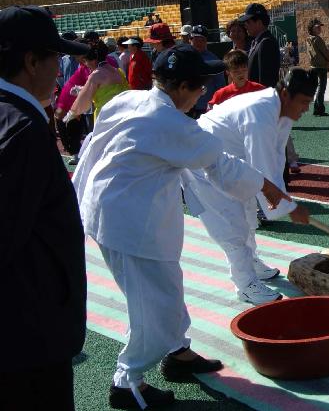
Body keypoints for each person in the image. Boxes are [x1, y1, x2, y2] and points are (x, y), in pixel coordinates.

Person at [73, 44, 293, 410]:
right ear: (182, 87)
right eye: (199, 86)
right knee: (153, 309)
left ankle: (178, 353)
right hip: (126, 223)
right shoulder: (171, 123)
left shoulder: (130, 100)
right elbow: (220, 165)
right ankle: (127, 381)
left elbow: (95, 143)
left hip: (117, 208)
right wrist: (267, 186)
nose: (203, 93)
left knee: (167, 291)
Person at [0, 6, 89, 411]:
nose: (62, 69)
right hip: (29, 332)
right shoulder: (23, 131)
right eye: (55, 58)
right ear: (31, 61)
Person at [182, 67, 314, 304]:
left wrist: (283, 201)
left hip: (231, 163)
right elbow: (262, 165)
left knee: (247, 215)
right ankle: (245, 284)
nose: (306, 109)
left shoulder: (282, 111)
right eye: (303, 102)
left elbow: (276, 158)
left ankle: (250, 259)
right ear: (286, 95)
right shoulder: (260, 114)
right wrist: (289, 207)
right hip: (202, 164)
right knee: (230, 224)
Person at [63, 41, 128, 123]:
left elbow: (84, 102)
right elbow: (106, 90)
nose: (86, 65)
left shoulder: (96, 75)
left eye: (85, 61)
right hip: (122, 113)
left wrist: (71, 113)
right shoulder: (117, 71)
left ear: (93, 61)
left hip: (105, 116)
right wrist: (82, 89)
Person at [188, 25, 226, 119]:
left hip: (206, 109)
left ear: (206, 42)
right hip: (186, 108)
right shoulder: (184, 57)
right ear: (190, 40)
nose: (199, 43)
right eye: (196, 39)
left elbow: (220, 86)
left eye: (202, 40)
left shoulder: (214, 60)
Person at [241, 3, 280, 88]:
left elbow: (266, 80)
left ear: (259, 22)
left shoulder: (266, 42)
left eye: (248, 22)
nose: (245, 25)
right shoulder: (257, 41)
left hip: (261, 97)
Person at [306, 18, 329, 116]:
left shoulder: (308, 39)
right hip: (321, 67)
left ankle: (316, 108)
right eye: (317, 27)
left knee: (317, 88)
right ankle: (319, 109)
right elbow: (325, 52)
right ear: (312, 28)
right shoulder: (318, 39)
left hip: (313, 67)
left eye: (320, 27)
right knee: (322, 88)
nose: (320, 29)